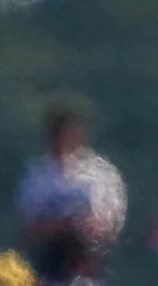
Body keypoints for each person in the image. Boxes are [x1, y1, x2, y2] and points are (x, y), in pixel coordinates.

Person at [15, 97, 126, 264]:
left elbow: (108, 222)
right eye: (57, 132)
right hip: (47, 262)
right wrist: (65, 228)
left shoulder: (100, 174)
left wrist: (81, 230)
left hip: (91, 264)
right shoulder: (38, 175)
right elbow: (31, 222)